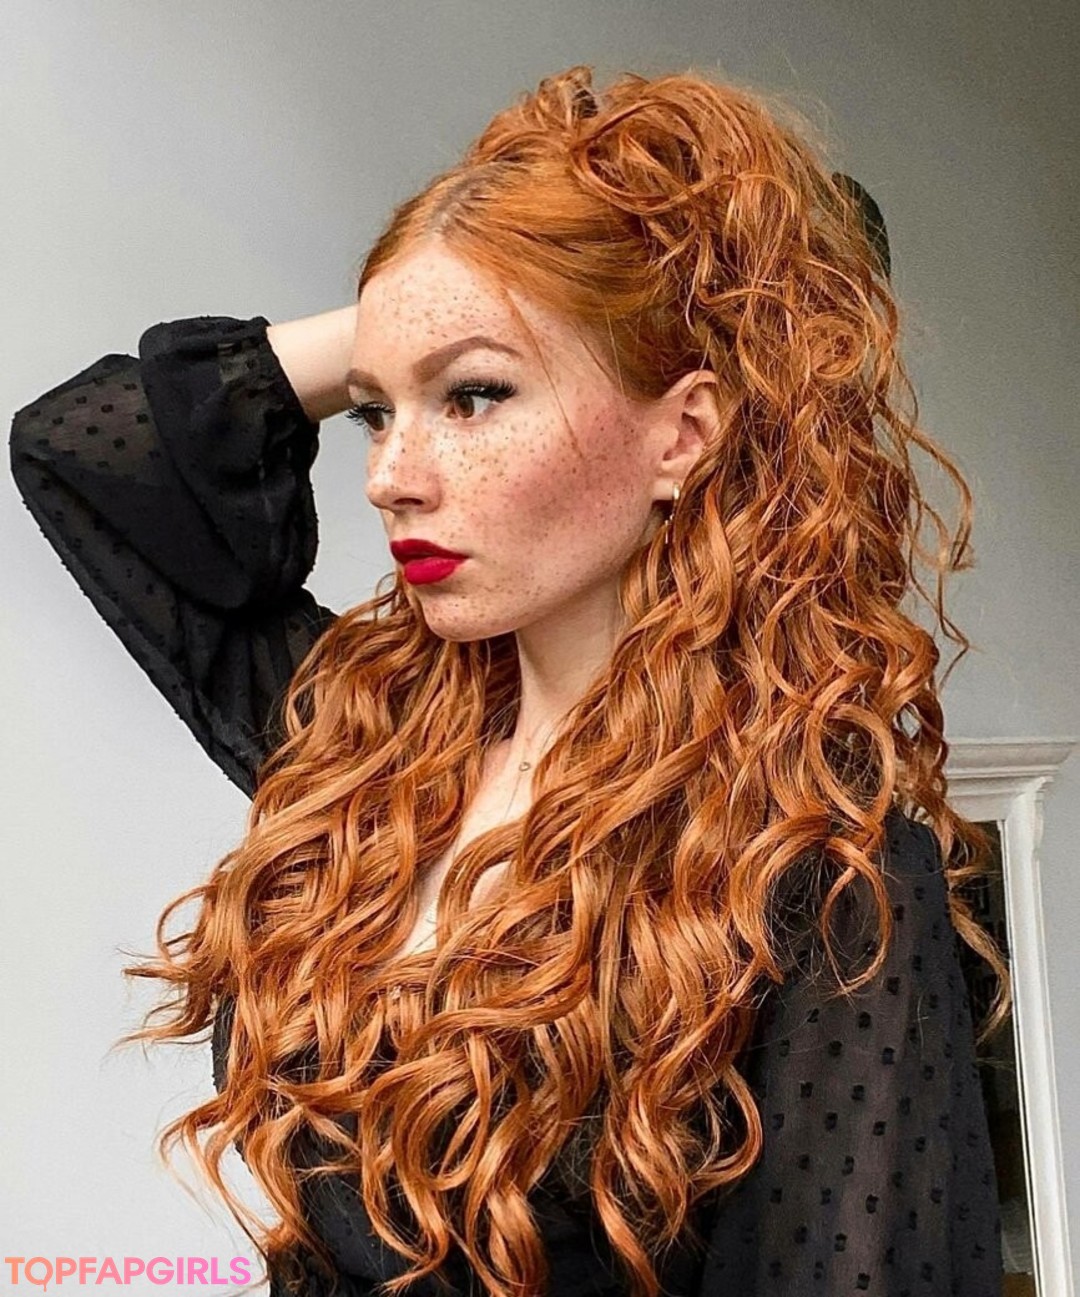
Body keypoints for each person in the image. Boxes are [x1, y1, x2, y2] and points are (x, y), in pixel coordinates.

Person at [8, 64, 1010, 1297]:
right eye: (376, 412)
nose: (391, 475)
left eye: (475, 397)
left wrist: (590, 289)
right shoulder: (367, 748)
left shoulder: (812, 874)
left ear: (684, 434)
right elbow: (80, 447)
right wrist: (438, 300)